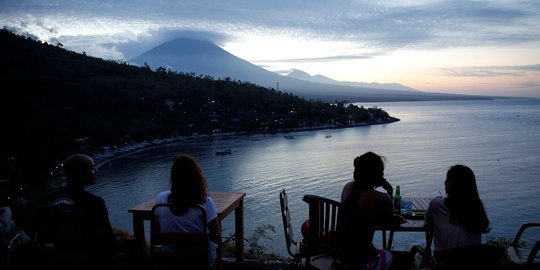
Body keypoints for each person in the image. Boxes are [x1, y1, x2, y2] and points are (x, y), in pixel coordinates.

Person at [37, 154, 115, 268]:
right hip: (89, 259)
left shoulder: (46, 200)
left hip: (55, 259)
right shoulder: (94, 202)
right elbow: (108, 239)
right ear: (78, 174)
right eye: (92, 168)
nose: (96, 171)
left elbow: (41, 233)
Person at [338, 151, 410, 270]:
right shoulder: (380, 198)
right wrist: (390, 190)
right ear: (376, 174)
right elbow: (390, 221)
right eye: (381, 171)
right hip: (363, 260)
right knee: (406, 258)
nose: (383, 174)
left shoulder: (347, 187)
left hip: (342, 255)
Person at [154, 154, 222, 268]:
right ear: (196, 176)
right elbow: (216, 238)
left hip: (169, 260)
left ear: (173, 177)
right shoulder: (204, 203)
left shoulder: (160, 199)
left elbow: (157, 230)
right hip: (198, 261)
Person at [424, 165, 490, 252]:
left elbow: (427, 223)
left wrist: (428, 247)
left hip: (445, 263)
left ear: (454, 184)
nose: (445, 182)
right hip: (474, 263)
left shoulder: (437, 205)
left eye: (448, 179)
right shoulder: (477, 207)